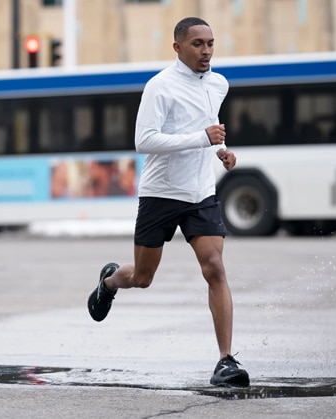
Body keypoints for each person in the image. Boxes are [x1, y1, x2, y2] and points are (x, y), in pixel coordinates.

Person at [87, 17, 249, 388]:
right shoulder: (160, 86)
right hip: (160, 193)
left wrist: (222, 150)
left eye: (210, 43)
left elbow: (210, 124)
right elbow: (144, 141)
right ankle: (111, 281)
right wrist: (202, 139)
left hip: (200, 193)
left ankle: (225, 360)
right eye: (197, 44)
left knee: (215, 269)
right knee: (142, 278)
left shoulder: (219, 83)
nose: (206, 50)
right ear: (178, 47)